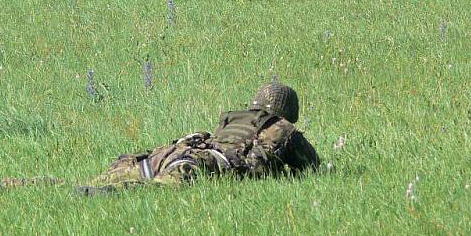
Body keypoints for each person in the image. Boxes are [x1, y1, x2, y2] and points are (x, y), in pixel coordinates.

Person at [75, 82, 320, 195]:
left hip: (184, 152)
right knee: (157, 188)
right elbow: (313, 168)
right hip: (207, 165)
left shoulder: (235, 117)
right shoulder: (284, 128)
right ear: (289, 111)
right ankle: (115, 192)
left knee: (135, 171)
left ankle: (56, 183)